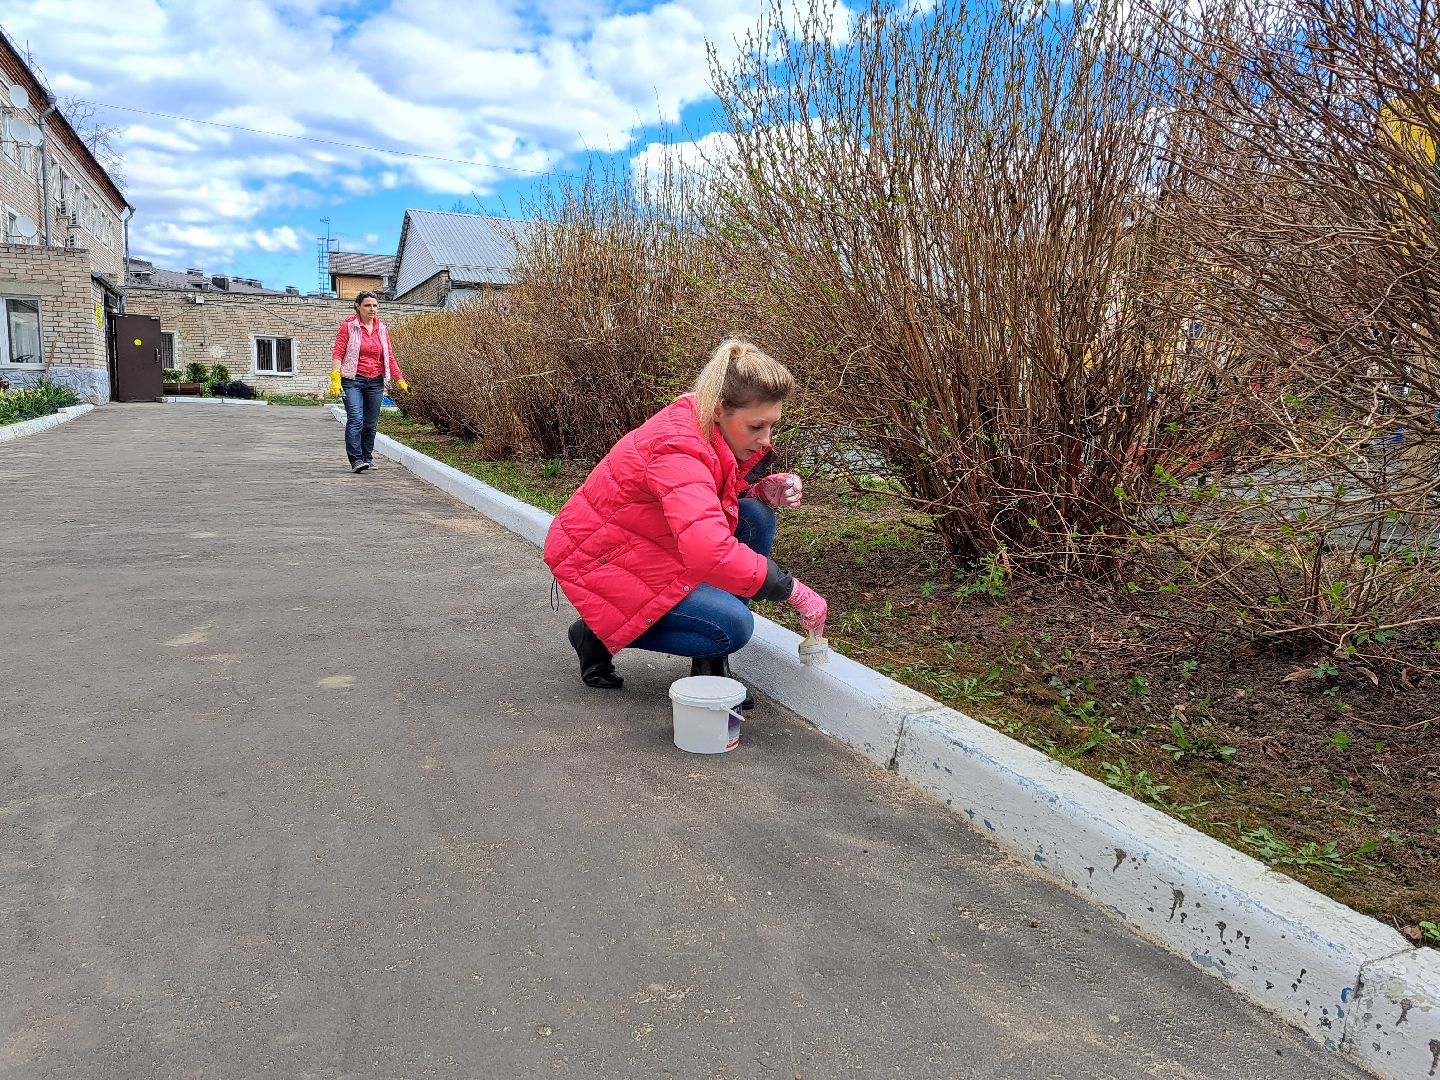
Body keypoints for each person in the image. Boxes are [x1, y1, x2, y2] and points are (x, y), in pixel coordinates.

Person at [543, 338, 830, 709]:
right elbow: (708, 548)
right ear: (719, 409)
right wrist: (792, 590)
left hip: (643, 544)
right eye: (757, 426)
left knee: (755, 517)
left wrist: (756, 491)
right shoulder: (678, 446)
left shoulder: (705, 421)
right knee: (733, 627)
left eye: (772, 425)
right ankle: (594, 632)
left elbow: (699, 500)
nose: (765, 441)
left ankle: (709, 665)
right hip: (601, 558)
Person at [330, 291, 408, 473]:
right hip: (352, 380)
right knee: (356, 419)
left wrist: (400, 380)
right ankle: (356, 460)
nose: (372, 309)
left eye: (375, 305)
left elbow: (389, 356)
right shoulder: (349, 326)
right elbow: (338, 353)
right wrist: (335, 379)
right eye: (367, 305)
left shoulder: (382, 329)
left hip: (375, 382)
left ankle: (367, 458)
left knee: (370, 423)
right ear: (358, 306)